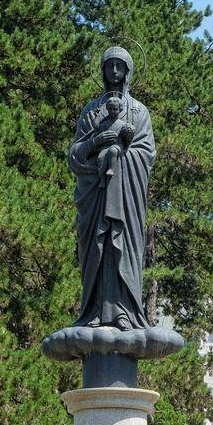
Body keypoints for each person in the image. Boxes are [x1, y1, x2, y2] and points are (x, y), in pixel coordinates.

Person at [68, 46, 154, 332]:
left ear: (128, 72)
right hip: (96, 194)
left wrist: (118, 153)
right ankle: (94, 310)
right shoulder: (90, 112)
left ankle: (124, 312)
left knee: (122, 248)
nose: (115, 72)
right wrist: (96, 143)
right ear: (103, 71)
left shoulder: (139, 112)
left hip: (125, 195)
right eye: (110, 66)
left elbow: (146, 153)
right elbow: (74, 155)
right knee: (96, 248)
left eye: (120, 67)